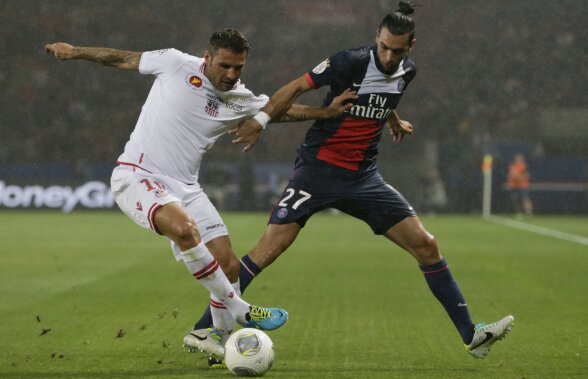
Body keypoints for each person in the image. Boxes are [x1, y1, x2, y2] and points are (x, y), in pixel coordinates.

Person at [192, 2, 514, 364]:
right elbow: (296, 87)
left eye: (398, 50)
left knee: (427, 245)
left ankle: (472, 335)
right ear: (377, 36)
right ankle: (208, 328)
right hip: (317, 171)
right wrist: (261, 121)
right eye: (385, 47)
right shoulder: (349, 61)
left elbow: (383, 94)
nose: (390, 56)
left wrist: (393, 119)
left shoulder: (407, 71)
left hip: (364, 178)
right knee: (266, 252)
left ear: (412, 45)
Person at [45, 28, 355, 359]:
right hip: (137, 175)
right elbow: (124, 58)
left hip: (186, 187)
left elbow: (280, 111)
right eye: (224, 66)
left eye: (238, 68)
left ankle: (211, 337)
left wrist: (326, 112)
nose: (231, 74)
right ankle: (240, 309)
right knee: (184, 230)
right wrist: (75, 50)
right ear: (207, 58)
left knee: (229, 265)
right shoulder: (176, 63)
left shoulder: (241, 97)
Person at [507, 153, 533, 217]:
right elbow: (511, 175)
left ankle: (528, 212)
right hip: (514, 186)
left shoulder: (524, 166)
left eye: (519, 158)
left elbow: (527, 176)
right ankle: (518, 213)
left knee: (525, 198)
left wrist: (519, 176)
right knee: (515, 199)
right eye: (516, 158)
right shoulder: (512, 166)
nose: (517, 159)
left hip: (523, 185)